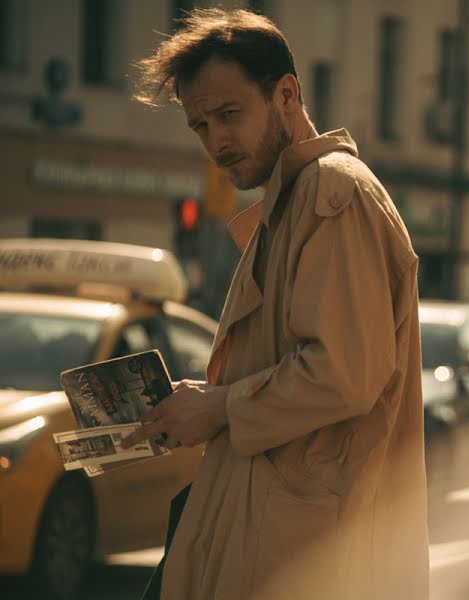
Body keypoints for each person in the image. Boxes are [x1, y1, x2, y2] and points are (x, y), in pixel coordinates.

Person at [124, 8, 429, 599]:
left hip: (307, 554)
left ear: (286, 94)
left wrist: (219, 408)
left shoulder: (331, 192)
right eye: (200, 125)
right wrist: (203, 404)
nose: (217, 140)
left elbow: (343, 374)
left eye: (229, 114)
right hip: (271, 536)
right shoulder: (291, 200)